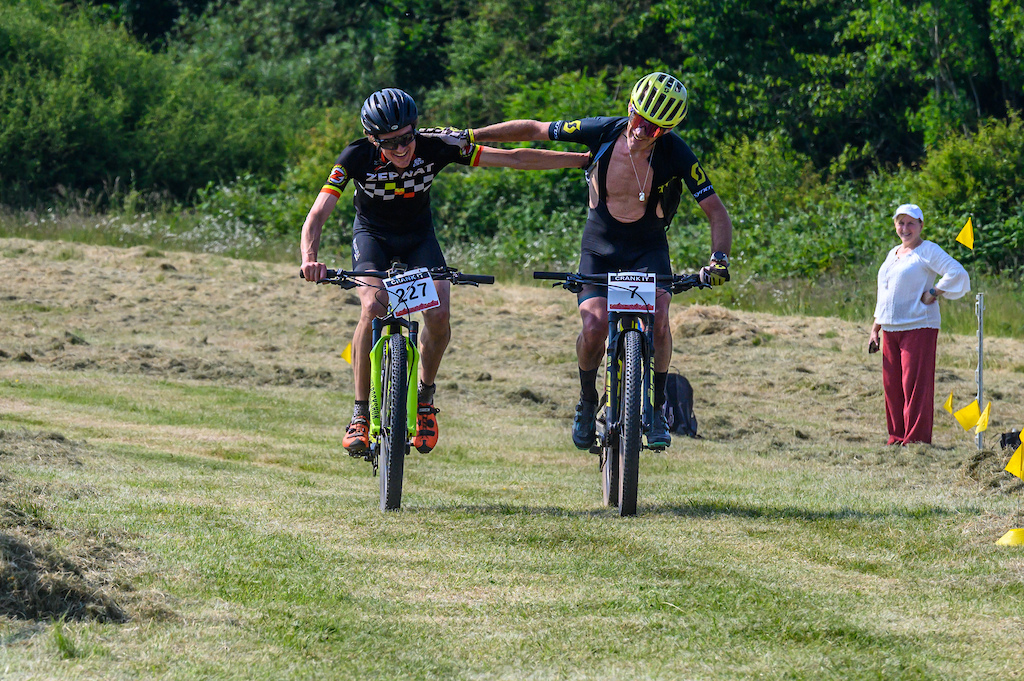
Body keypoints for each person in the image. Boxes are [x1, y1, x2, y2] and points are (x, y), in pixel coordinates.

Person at [433, 72, 732, 450]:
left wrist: (718, 259)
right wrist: (473, 135)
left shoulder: (676, 152)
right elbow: (537, 129)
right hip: (600, 248)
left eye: (655, 130)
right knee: (593, 329)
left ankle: (657, 410)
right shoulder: (603, 131)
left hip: (648, 250)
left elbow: (716, 211)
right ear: (630, 110)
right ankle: (588, 401)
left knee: (659, 320)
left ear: (667, 132)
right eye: (639, 121)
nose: (642, 132)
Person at [300, 88, 589, 456]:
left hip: (419, 238)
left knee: (438, 312)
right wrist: (310, 257)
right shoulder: (355, 156)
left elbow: (513, 159)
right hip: (372, 237)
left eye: (407, 138)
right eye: (390, 143)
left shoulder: (435, 145)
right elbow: (318, 213)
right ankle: (360, 415)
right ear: (373, 139)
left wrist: (580, 160)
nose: (402, 149)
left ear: (416, 129)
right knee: (372, 307)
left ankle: (424, 398)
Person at [869, 203, 970, 445]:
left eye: (911, 223)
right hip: (891, 328)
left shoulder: (928, 250)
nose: (905, 228)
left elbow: (957, 272)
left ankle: (916, 441)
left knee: (914, 385)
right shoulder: (893, 253)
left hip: (918, 326)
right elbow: (885, 292)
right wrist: (875, 328)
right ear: (895, 225)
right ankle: (897, 436)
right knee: (893, 386)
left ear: (921, 225)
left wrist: (934, 291)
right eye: (901, 223)